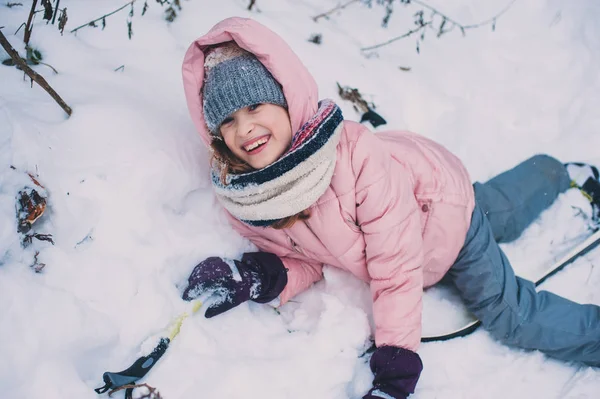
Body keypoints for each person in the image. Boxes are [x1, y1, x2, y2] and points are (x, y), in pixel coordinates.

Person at [180, 17, 600, 399]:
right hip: (415, 199)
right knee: (496, 209)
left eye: (255, 106)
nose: (245, 127)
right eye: (228, 120)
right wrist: (260, 275)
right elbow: (305, 255)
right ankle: (553, 172)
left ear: (288, 100)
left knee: (509, 311)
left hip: (440, 213)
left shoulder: (354, 160)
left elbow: (396, 266)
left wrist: (395, 362)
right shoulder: (248, 196)